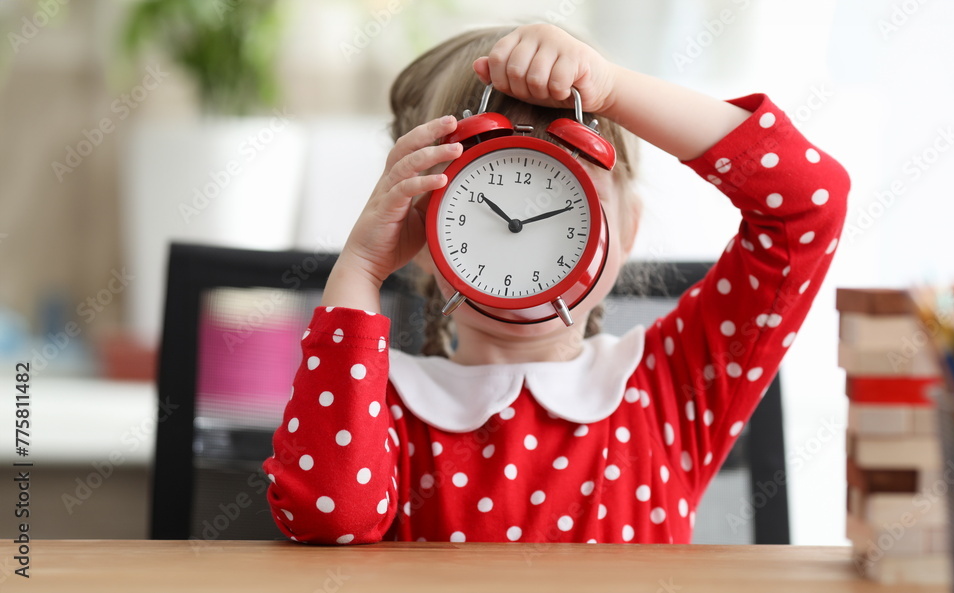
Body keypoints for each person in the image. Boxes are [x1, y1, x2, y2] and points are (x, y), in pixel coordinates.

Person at [263, 23, 849, 545]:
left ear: (626, 231)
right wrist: (361, 268)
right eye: (480, 205)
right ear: (417, 238)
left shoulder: (672, 385)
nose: (522, 243)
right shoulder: (379, 403)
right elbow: (328, 518)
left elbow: (808, 201)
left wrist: (613, 89)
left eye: (570, 205)